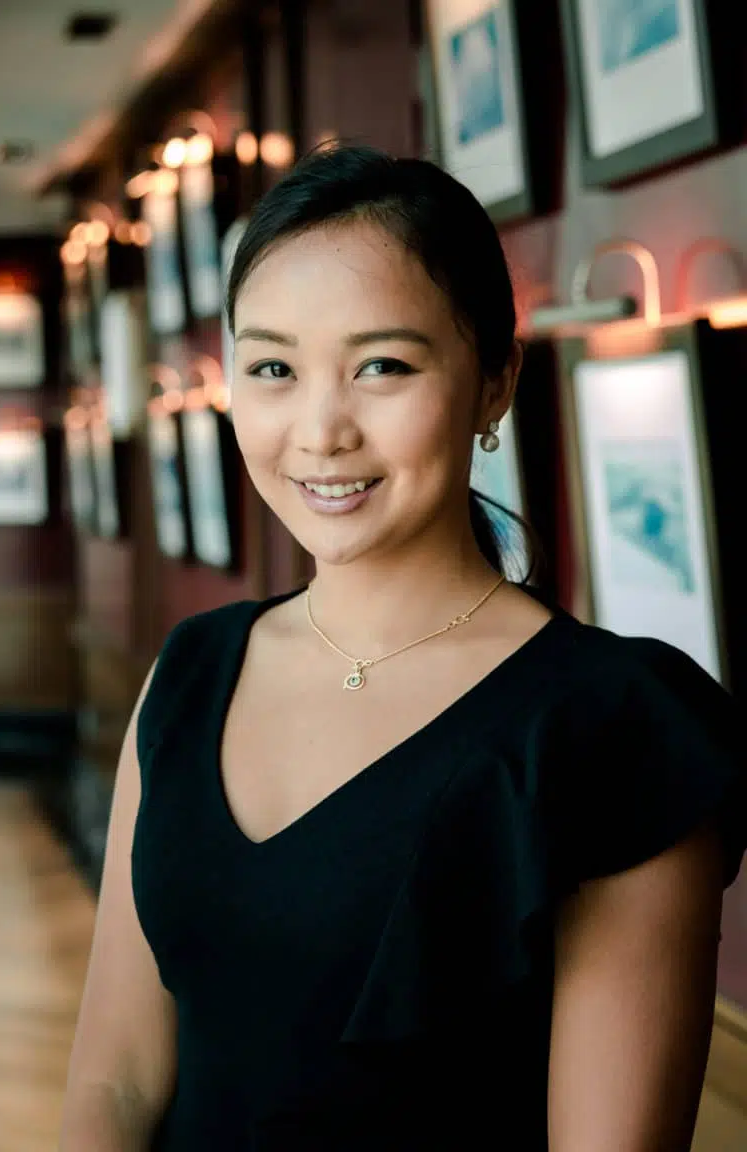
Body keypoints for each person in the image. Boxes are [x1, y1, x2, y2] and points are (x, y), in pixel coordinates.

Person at [59, 144, 745, 1152]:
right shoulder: (192, 671)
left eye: (382, 365)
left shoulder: (614, 722)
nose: (321, 430)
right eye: (274, 369)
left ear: (495, 381)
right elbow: (116, 1079)